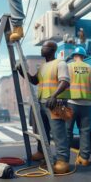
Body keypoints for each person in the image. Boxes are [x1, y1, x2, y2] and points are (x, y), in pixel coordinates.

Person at [27, 40, 71, 174]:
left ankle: (63, 160)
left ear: (52, 50)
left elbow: (65, 81)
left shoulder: (61, 63)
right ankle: (41, 152)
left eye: (44, 47)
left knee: (58, 133)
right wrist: (23, 71)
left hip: (55, 103)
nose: (41, 49)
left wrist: (54, 96)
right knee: (42, 131)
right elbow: (35, 81)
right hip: (42, 102)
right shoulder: (42, 67)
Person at [66, 46, 91, 166]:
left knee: (68, 131)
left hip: (71, 103)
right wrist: (89, 96)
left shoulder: (69, 67)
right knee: (85, 131)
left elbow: (63, 83)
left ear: (74, 56)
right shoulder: (90, 68)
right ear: (84, 56)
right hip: (87, 105)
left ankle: (64, 159)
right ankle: (84, 158)